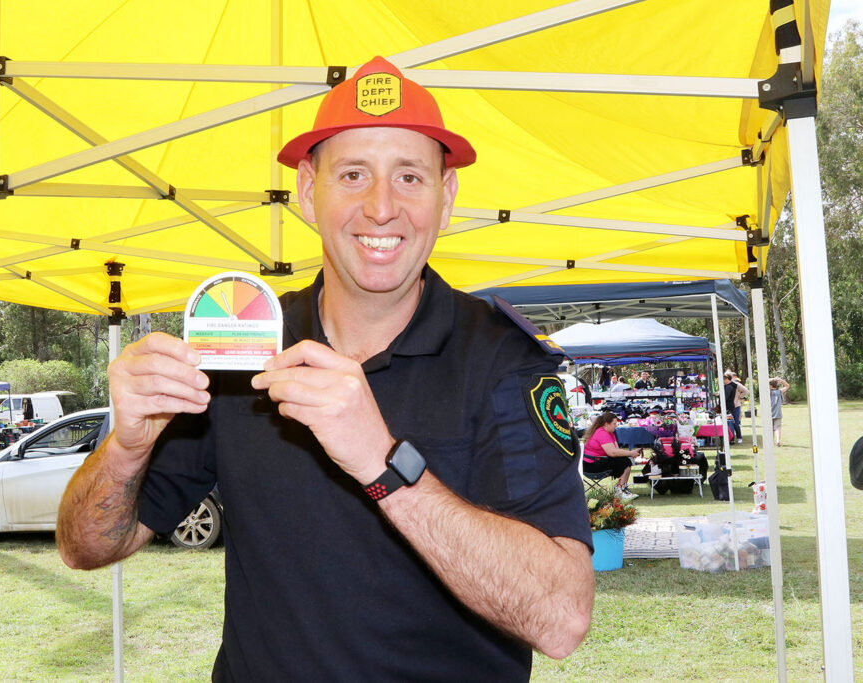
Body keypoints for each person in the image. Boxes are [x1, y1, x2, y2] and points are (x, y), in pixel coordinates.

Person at [56, 56, 593, 681]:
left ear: (445, 199)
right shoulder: (242, 346)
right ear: (310, 192)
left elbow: (560, 618)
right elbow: (85, 547)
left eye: (411, 177)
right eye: (354, 174)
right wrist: (127, 446)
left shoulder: (503, 358)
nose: (382, 207)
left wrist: (383, 463)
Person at [581, 411, 640, 500]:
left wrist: (631, 453)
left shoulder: (610, 434)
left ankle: (622, 489)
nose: (616, 425)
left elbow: (616, 450)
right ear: (606, 424)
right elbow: (612, 453)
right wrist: (631, 453)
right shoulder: (601, 433)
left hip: (598, 461)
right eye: (614, 423)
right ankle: (619, 490)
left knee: (625, 460)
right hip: (591, 466)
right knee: (624, 461)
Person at [723, 372, 749, 444]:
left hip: (736, 405)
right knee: (729, 423)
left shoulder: (736, 385)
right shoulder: (725, 386)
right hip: (727, 406)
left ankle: (739, 437)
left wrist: (740, 396)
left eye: (724, 379)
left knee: (736, 422)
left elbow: (746, 391)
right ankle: (731, 438)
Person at [769, 377, 789, 447]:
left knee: (770, 428)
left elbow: (764, 382)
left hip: (770, 413)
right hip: (778, 413)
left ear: (770, 386)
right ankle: (778, 441)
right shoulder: (779, 392)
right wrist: (782, 381)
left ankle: (771, 441)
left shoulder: (769, 392)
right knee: (778, 428)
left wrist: (773, 379)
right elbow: (787, 386)